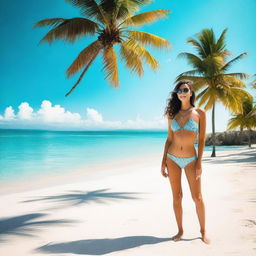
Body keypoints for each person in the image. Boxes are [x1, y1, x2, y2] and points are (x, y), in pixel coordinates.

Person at [161, 80, 210, 244]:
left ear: (191, 92)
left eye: (184, 89)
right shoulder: (172, 114)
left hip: (191, 159)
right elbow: (169, 139)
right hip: (172, 158)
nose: (181, 92)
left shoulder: (200, 113)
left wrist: (199, 162)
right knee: (177, 197)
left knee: (197, 197)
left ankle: (203, 231)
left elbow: (202, 140)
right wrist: (163, 162)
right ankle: (180, 230)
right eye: (178, 90)